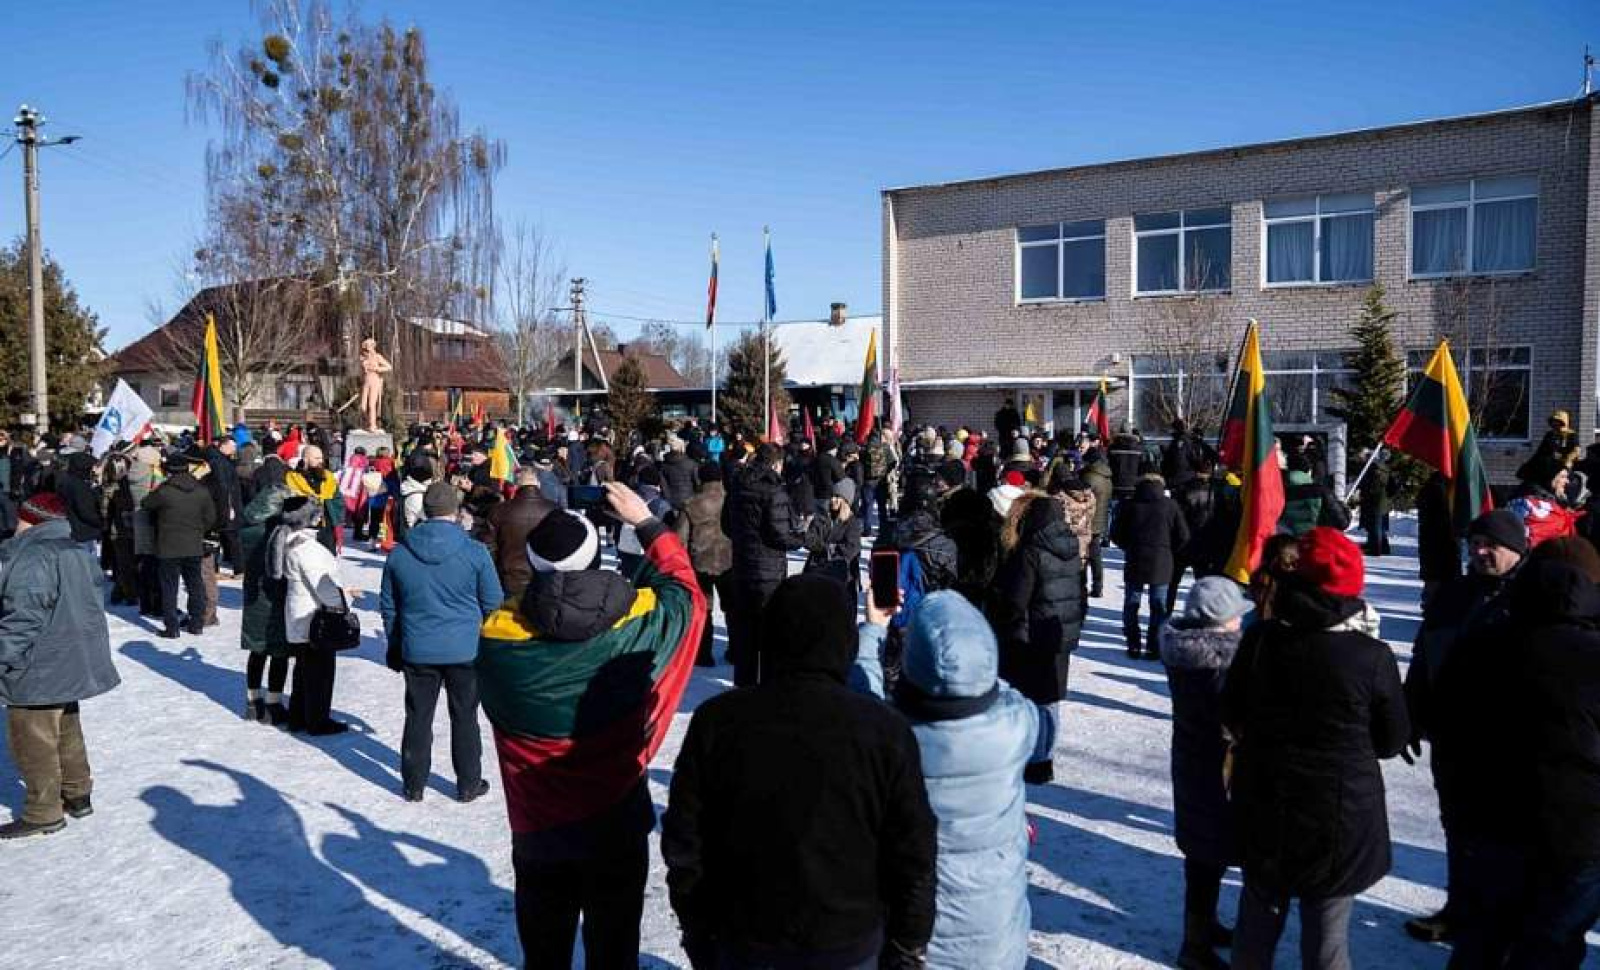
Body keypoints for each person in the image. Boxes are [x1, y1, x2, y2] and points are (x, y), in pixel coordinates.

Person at [477, 484, 704, 968]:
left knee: (544, 955)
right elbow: (686, 594)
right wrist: (646, 524)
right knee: (615, 951)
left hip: (538, 833)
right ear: (594, 561)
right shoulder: (638, 631)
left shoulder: (495, 642)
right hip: (616, 824)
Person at [663, 573, 937, 969]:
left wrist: (697, 927)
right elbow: (914, 852)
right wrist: (909, 943)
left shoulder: (718, 721)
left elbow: (684, 841)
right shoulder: (881, 730)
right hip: (838, 940)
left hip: (753, 939)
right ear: (844, 642)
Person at [1222, 527, 1409, 970]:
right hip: (1338, 815)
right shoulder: (1371, 655)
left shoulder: (1261, 640)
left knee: (1256, 922)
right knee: (1326, 936)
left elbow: (1232, 713)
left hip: (1266, 799)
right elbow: (1391, 740)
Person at [854, 590, 1039, 969]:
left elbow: (861, 705)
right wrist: (980, 683)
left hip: (917, 944)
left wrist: (873, 631)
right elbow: (1034, 719)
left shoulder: (891, 739)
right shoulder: (1016, 723)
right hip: (997, 944)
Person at [1400, 508, 1525, 945]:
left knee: (1504, 832)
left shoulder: (1531, 597)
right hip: (1452, 733)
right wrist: (1411, 715)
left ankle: (1503, 917)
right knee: (1457, 823)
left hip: (1508, 740)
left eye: (1491, 545)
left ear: (1517, 548)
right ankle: (1459, 908)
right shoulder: (1454, 594)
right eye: (1475, 545)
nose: (1481, 552)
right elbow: (1423, 655)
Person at [0, 494, 120, 839]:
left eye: (21, 517)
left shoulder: (36, 555)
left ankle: (43, 812)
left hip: (39, 664)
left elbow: (22, 619)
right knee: (66, 727)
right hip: (70, 658)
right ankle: (78, 793)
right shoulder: (74, 550)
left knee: (32, 737)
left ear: (32, 520)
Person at [380, 480, 503, 803]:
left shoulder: (400, 553)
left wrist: (395, 641)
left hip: (418, 647)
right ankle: (468, 783)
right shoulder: (474, 551)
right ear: (456, 510)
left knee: (418, 715)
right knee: (465, 715)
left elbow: (389, 605)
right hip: (466, 648)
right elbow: (493, 602)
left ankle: (414, 784)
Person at [1159, 577, 1249, 970]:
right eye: (1235, 619)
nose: (1240, 624)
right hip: (1219, 770)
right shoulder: (1222, 665)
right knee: (1208, 854)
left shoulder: (1183, 652)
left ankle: (1204, 926)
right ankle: (1194, 947)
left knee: (1201, 853)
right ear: (1221, 623)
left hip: (1192, 765)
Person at [988, 492, 1082, 785]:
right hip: (1060, 634)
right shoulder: (1071, 547)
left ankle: (1033, 757)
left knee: (1031, 699)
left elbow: (1016, 601)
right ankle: (1045, 758)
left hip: (1032, 635)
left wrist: (998, 611)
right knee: (1050, 699)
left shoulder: (1031, 552)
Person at [723, 443, 805, 686]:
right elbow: (779, 535)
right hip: (768, 570)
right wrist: (800, 537)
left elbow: (726, 526)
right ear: (777, 464)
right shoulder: (774, 490)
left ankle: (743, 685)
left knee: (745, 631)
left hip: (742, 566)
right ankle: (768, 688)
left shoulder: (737, 486)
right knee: (769, 632)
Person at [278, 497, 349, 736]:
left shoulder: (289, 541)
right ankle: (317, 719)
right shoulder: (308, 549)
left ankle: (299, 715)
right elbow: (323, 586)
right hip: (314, 616)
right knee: (319, 670)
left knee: (304, 669)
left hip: (299, 612)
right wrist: (342, 603)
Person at [239, 456, 295, 726]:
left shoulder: (249, 517)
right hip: (277, 589)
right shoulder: (281, 524)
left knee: (256, 646)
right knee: (279, 649)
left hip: (253, 588)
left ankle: (252, 701)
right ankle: (273, 702)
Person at [1110, 473, 1189, 659]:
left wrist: (1129, 546)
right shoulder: (1170, 506)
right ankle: (1154, 646)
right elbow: (1183, 536)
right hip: (1162, 560)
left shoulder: (1129, 505)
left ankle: (1133, 643)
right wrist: (1169, 549)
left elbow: (1115, 533)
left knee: (1131, 603)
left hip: (1135, 558)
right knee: (1159, 606)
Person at [142, 452, 218, 638]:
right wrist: (198, 530)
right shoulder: (201, 491)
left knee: (169, 587)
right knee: (195, 584)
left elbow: (146, 504)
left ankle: (172, 627)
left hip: (168, 546)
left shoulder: (164, 491)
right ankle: (196, 623)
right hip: (193, 544)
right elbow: (211, 518)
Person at [676, 461, 732, 667]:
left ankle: (703, 653)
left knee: (704, 609)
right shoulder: (732, 500)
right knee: (732, 608)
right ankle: (735, 650)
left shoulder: (691, 504)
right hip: (730, 560)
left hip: (700, 561)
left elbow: (679, 539)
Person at [483, 467, 557, 600]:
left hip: (509, 578)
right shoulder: (554, 510)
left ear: (516, 486)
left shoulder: (499, 511)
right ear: (538, 484)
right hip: (545, 579)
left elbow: (489, 548)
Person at [1167, 458, 1218, 615]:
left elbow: (1174, 519)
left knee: (1172, 584)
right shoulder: (1216, 493)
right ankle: (1203, 615)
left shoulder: (1182, 491)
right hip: (1205, 545)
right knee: (1203, 586)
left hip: (1182, 544)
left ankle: (1166, 613)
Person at [286, 445, 343, 553]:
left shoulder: (329, 477)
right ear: (305, 459)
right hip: (303, 528)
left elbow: (338, 500)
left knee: (327, 559)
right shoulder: (292, 478)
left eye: (321, 458)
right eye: (317, 458)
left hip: (326, 527)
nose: (321, 461)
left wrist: (338, 520)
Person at [205, 436, 244, 573]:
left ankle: (222, 567)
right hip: (224, 505)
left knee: (225, 537)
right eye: (232, 446)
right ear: (223, 446)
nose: (235, 449)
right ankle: (236, 568)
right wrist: (229, 507)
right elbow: (223, 487)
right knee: (229, 537)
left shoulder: (222, 460)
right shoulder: (219, 462)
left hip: (224, 504)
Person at [54, 450, 102, 551]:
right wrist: (103, 523)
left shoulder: (66, 481)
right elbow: (86, 512)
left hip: (73, 531)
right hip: (84, 533)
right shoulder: (79, 486)